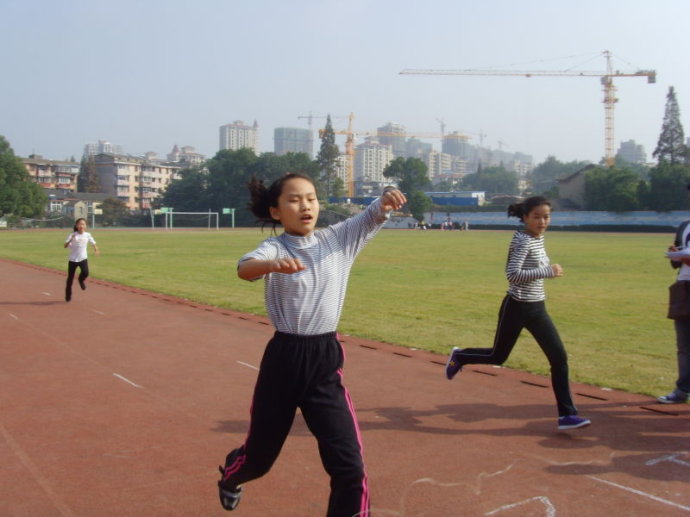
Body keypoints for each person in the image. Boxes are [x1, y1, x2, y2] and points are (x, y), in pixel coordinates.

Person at [217, 173, 406, 515]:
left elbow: (372, 213)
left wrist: (387, 198)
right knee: (259, 460)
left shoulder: (339, 239)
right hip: (284, 362)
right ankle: (231, 477)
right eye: (294, 199)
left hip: (324, 362)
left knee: (350, 467)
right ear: (276, 212)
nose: (305, 205)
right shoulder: (276, 247)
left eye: (311, 198)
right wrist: (272, 265)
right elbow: (245, 268)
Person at [445, 196, 591, 430]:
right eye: (537, 217)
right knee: (498, 356)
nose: (542, 221)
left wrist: (544, 271)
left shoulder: (537, 238)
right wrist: (547, 271)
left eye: (546, 217)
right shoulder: (523, 240)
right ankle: (461, 357)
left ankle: (567, 415)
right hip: (517, 306)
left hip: (537, 308)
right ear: (525, 217)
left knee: (559, 358)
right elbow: (512, 274)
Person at [658, 209, 690, 404]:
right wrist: (675, 255)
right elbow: (677, 263)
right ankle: (682, 391)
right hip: (684, 287)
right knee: (684, 346)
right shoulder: (684, 225)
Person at [63, 218, 99, 302]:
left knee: (85, 273)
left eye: (83, 224)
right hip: (73, 260)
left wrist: (96, 249)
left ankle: (80, 280)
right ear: (76, 226)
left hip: (83, 258)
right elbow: (65, 246)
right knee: (70, 279)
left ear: (85, 226)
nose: (81, 226)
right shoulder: (72, 235)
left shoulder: (87, 235)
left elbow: (93, 242)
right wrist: (71, 239)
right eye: (79, 224)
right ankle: (68, 296)